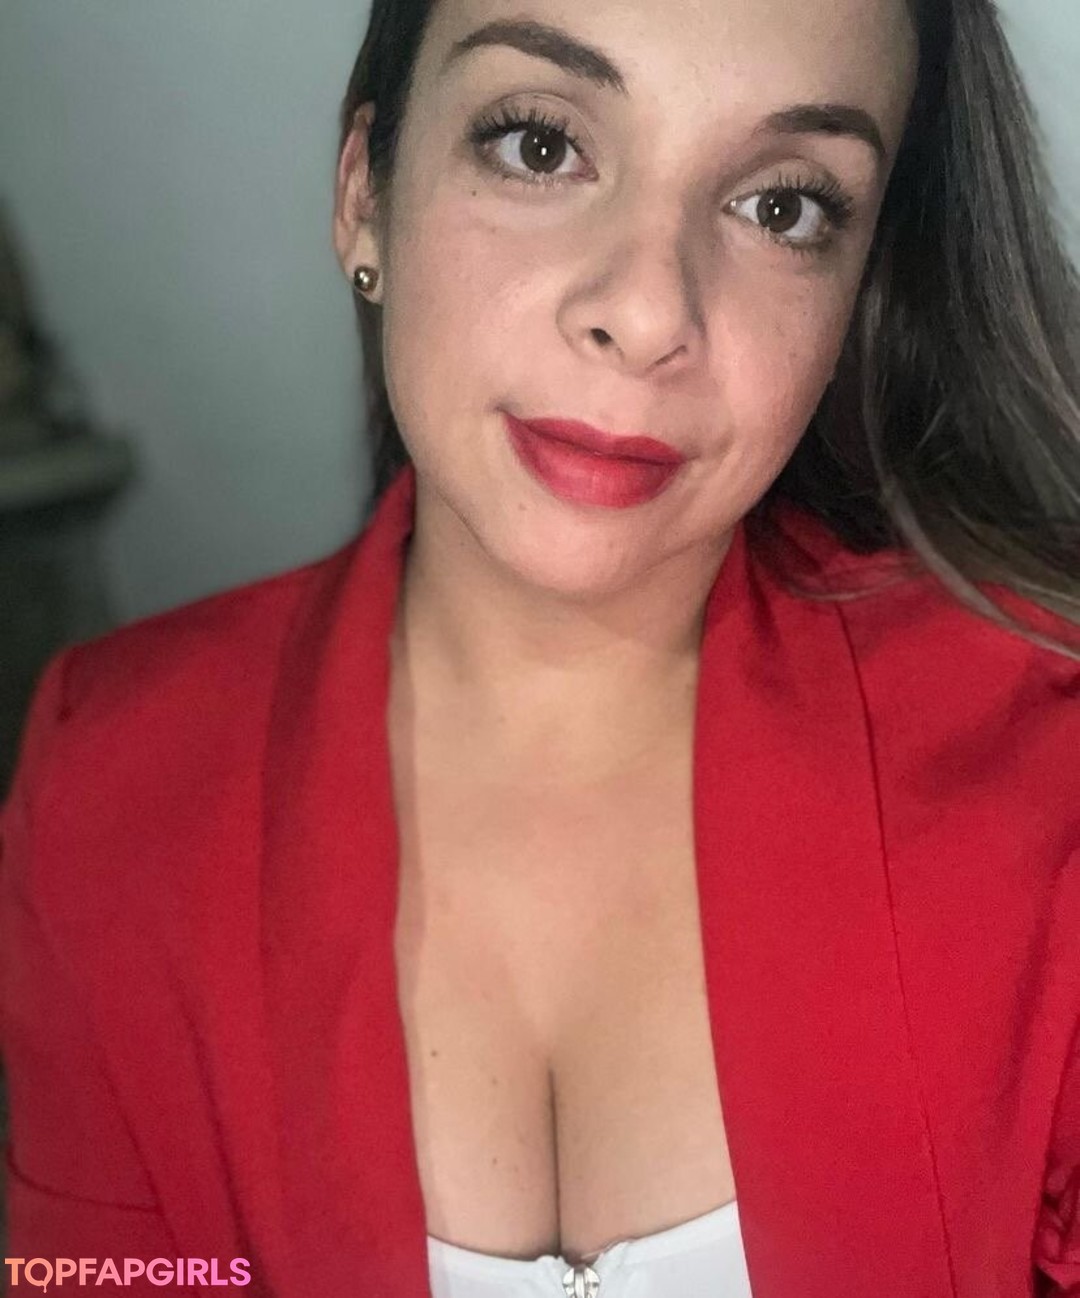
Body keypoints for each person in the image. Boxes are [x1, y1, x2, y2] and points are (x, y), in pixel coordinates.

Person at [2, 0, 1079, 1294]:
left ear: (857, 293)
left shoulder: (1046, 771)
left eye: (783, 206)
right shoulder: (107, 788)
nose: (647, 309)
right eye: (539, 144)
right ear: (363, 196)